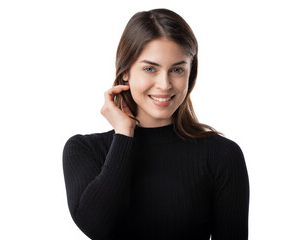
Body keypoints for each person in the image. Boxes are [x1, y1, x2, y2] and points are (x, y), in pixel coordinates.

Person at [62, 8, 250, 240]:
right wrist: (123, 135)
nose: (164, 84)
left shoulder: (222, 155)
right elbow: (97, 228)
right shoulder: (84, 150)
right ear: (125, 73)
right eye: (150, 69)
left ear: (190, 74)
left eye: (177, 70)